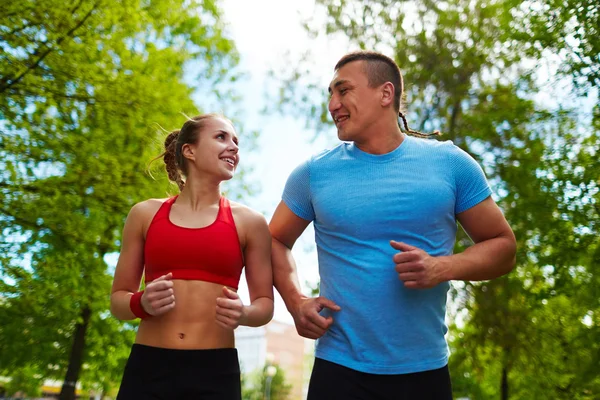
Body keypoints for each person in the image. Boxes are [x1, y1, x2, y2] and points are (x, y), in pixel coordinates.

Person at [269, 51, 517, 399]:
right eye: (330, 93)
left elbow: (503, 248)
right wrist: (295, 302)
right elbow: (273, 241)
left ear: (385, 94)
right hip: (338, 371)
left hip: (424, 373)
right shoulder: (313, 174)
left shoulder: (451, 164)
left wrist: (440, 267)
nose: (333, 104)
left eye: (343, 91)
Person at [110, 113, 274, 400]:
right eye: (222, 137)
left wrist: (244, 313)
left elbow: (265, 306)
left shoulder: (251, 222)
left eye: (236, 141)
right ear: (190, 150)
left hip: (215, 372)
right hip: (148, 368)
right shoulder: (144, 214)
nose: (234, 147)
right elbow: (117, 302)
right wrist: (141, 302)